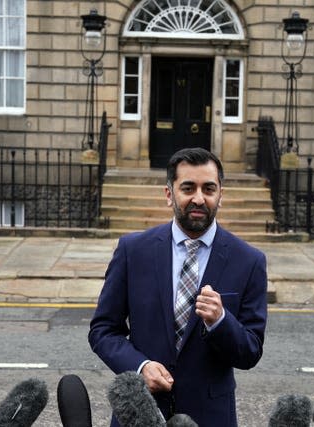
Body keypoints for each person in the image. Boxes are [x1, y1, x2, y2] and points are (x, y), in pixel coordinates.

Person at [89, 148, 268, 427]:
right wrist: (140, 367)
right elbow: (103, 330)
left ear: (221, 195)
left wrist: (221, 321)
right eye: (188, 188)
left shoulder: (249, 261)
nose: (198, 198)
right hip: (140, 413)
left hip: (209, 417)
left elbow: (250, 351)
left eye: (208, 188)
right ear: (169, 194)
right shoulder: (133, 251)